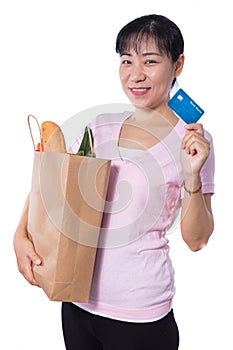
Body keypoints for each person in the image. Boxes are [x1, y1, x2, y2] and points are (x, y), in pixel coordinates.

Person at [14, 14, 215, 350]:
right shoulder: (99, 125)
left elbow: (197, 240)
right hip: (75, 299)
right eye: (126, 61)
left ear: (177, 65)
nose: (135, 74)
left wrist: (192, 175)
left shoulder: (193, 141)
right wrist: (20, 235)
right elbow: (51, 184)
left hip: (140, 314)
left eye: (150, 61)